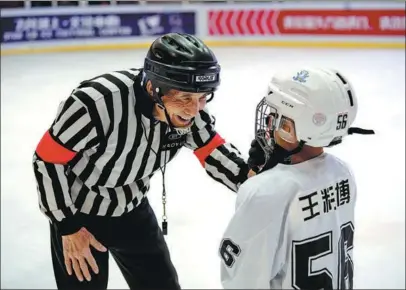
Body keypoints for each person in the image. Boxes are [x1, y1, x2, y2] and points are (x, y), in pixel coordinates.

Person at [32, 33, 260, 290]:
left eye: (203, 97)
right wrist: (67, 226)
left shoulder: (188, 113)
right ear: (153, 88)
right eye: (184, 98)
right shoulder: (96, 103)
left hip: (133, 210)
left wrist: (252, 180)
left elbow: (212, 151)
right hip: (80, 214)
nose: (195, 110)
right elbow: (47, 160)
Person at [218, 67, 375, 289]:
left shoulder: (264, 191)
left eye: (275, 117)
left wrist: (258, 183)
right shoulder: (343, 173)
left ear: (289, 128)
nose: (269, 123)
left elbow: (242, 281)